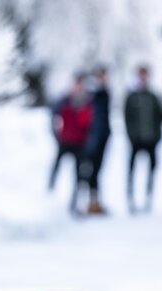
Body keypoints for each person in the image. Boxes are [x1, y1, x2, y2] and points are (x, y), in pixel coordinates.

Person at [48, 74, 94, 213]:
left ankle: (73, 203)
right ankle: (49, 195)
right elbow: (54, 117)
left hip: (79, 144)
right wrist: (57, 136)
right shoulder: (65, 101)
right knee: (56, 168)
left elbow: (90, 124)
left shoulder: (87, 103)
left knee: (78, 174)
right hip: (65, 141)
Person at [123, 65, 162, 214]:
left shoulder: (153, 97)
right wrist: (131, 136)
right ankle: (131, 197)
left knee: (152, 169)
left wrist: (157, 135)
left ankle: (148, 196)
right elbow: (127, 118)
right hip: (136, 140)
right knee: (132, 169)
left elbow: (160, 117)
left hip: (151, 140)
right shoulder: (132, 97)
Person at [81, 65, 112, 215]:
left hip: (102, 137)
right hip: (91, 137)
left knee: (96, 170)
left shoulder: (104, 93)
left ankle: (94, 201)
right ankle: (85, 202)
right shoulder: (92, 95)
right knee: (87, 170)